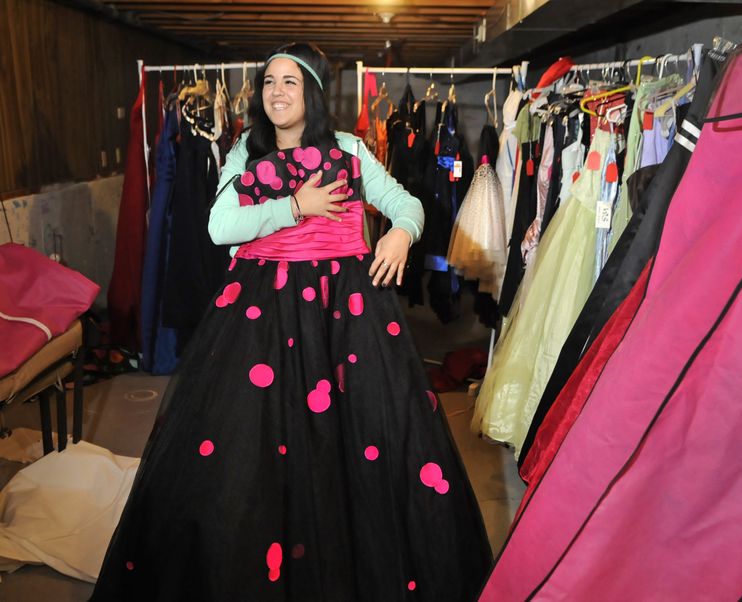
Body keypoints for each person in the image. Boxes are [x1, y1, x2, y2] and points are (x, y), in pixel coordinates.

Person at [91, 42, 492, 601]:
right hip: (259, 312)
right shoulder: (243, 151)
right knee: (251, 444)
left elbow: (408, 204)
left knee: (356, 440)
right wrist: (295, 207)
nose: (276, 92)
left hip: (344, 318)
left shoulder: (349, 149)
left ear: (313, 93)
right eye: (269, 82)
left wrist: (401, 232)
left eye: (290, 82)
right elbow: (219, 227)